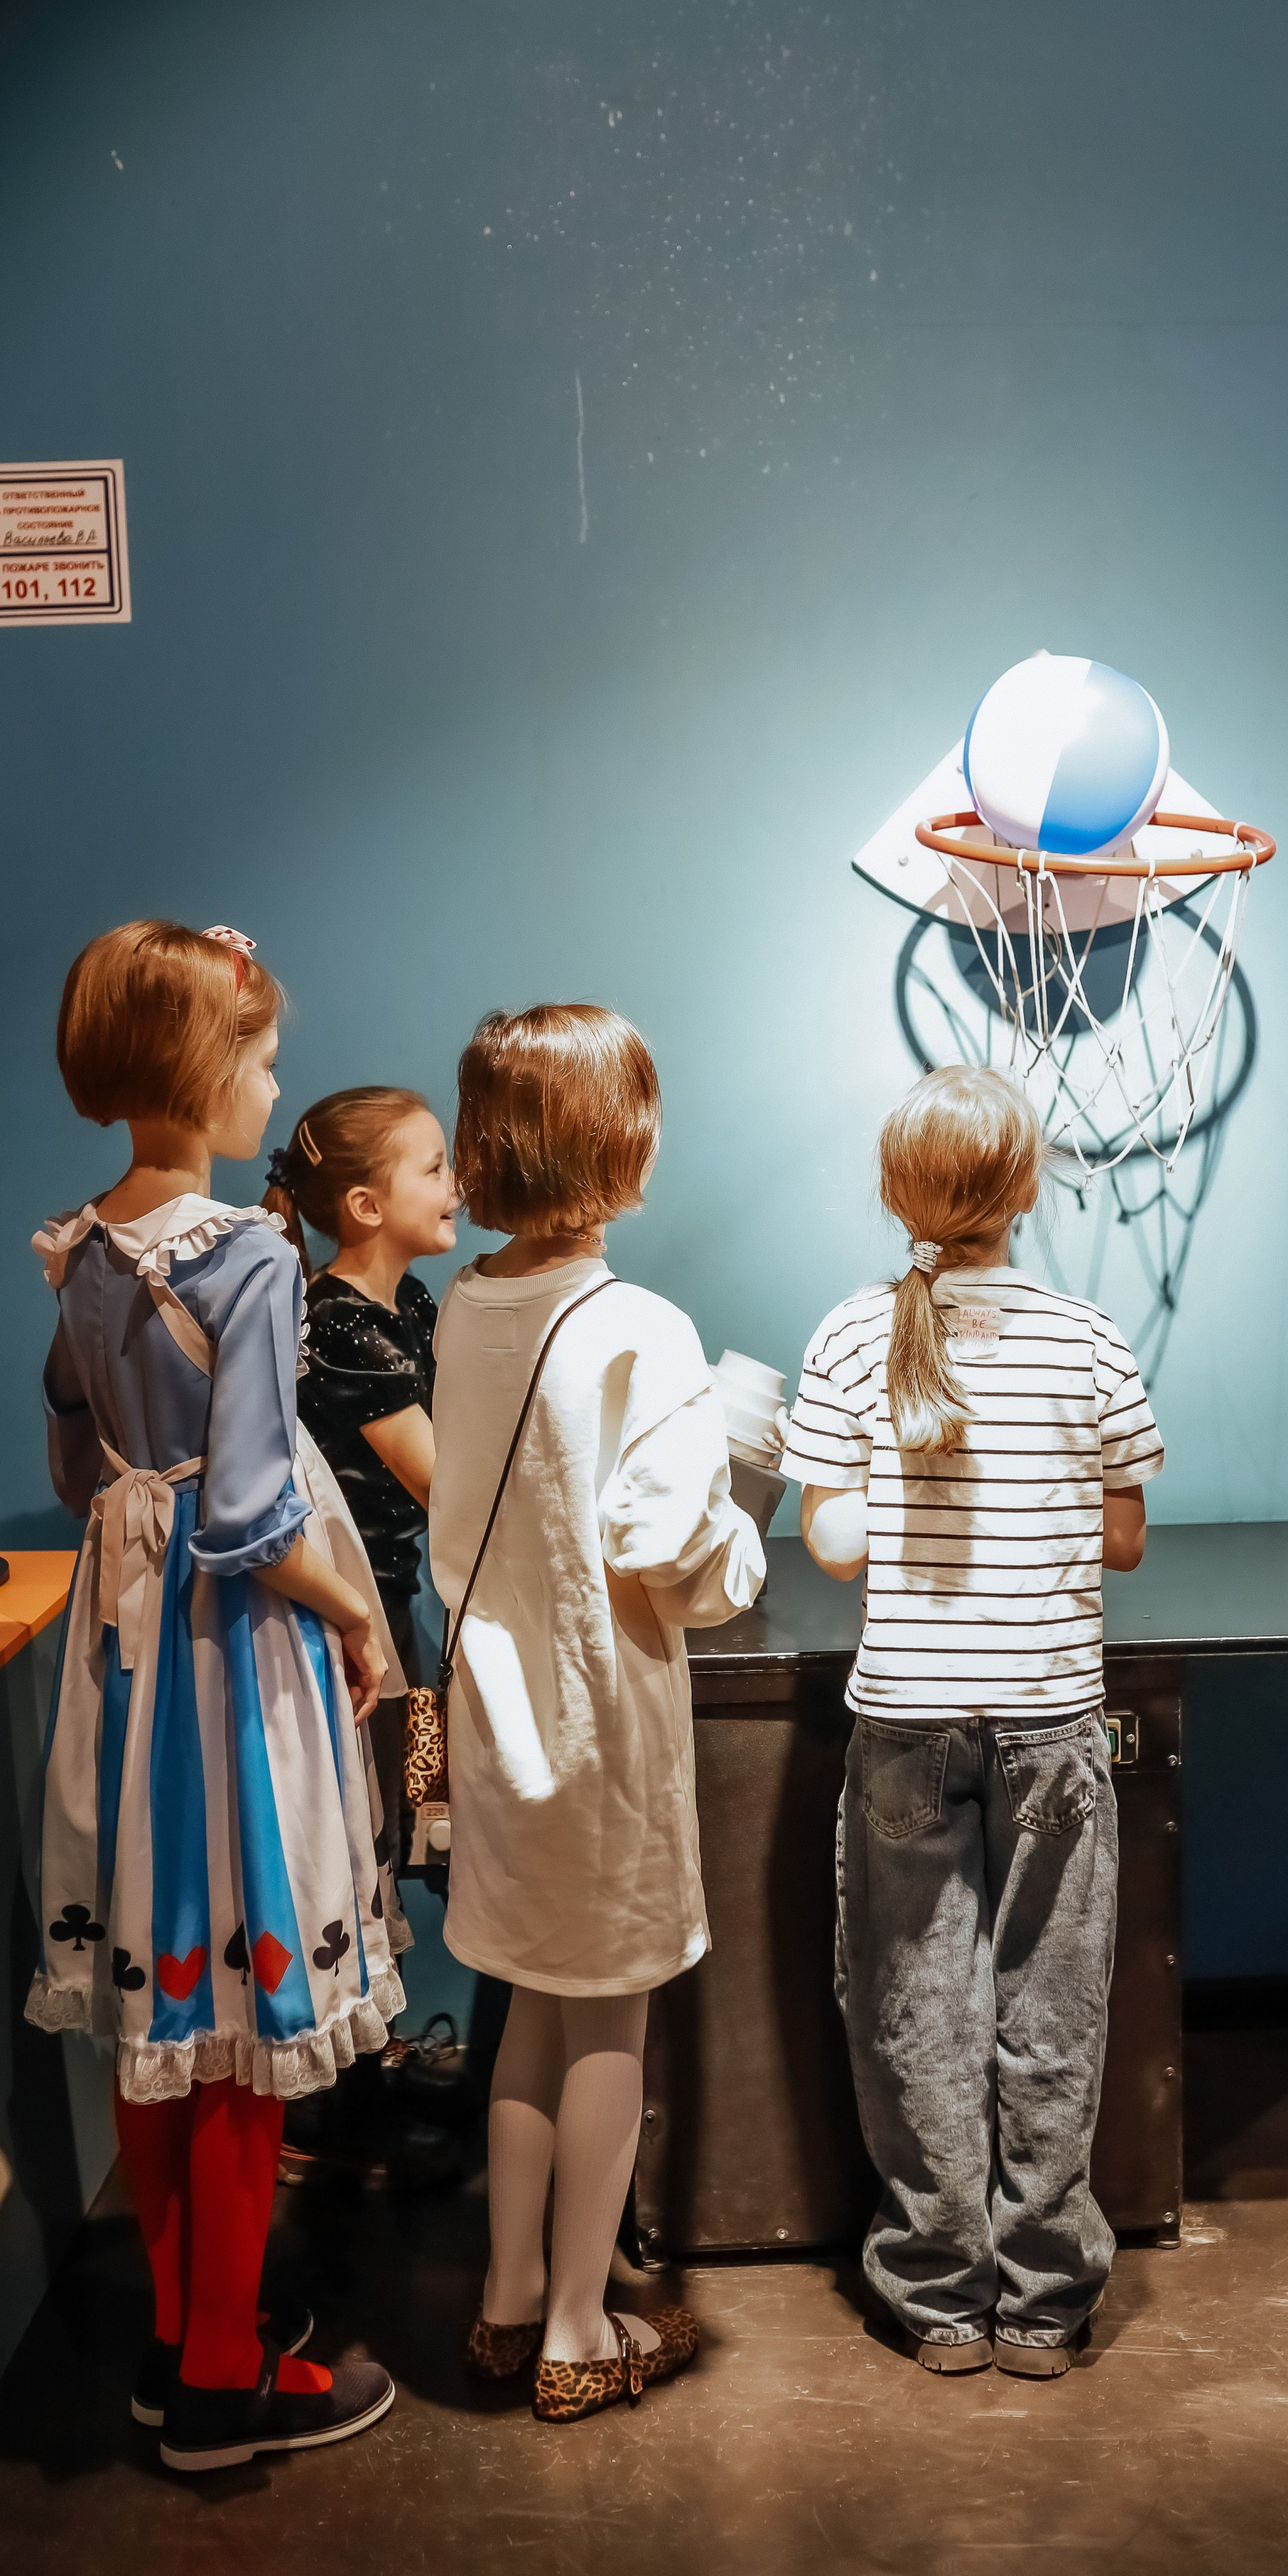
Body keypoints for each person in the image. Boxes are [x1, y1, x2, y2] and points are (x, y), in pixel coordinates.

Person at [26, 919, 406, 2469]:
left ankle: (184, 2333)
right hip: (232, 1670)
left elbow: (74, 1459)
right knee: (252, 2012)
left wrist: (139, 1513)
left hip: (120, 1669)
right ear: (203, 1068)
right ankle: (225, 2384)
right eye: (259, 1058)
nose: (271, 1085)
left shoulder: (74, 1252)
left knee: (155, 2008)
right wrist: (357, 1618)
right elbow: (251, 1513)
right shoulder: (248, 1257)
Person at [779, 1065, 1161, 2382]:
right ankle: (1045, 2301)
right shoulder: (1091, 1338)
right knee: (1050, 2003)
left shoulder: (847, 1336)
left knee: (911, 2003)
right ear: (1027, 1188)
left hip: (907, 1718)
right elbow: (1123, 1537)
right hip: (1052, 1714)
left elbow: (829, 1543)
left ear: (897, 1193)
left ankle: (940, 2295)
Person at [428, 1003, 765, 2423]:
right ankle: (578, 2326)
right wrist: (741, 1469)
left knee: (521, 2010)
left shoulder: (463, 1308)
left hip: (496, 1721)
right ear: (615, 1144)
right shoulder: (642, 1327)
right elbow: (669, 1557)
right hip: (604, 1725)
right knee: (608, 2023)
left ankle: (508, 2298)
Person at [263, 1088, 455, 1827]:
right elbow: (440, 1480)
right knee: (393, 1809)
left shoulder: (408, 1300)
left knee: (425, 1803)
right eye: (435, 1170)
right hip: (355, 1613)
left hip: (399, 1598)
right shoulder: (341, 1322)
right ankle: (379, 1941)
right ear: (367, 1206)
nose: (454, 1188)